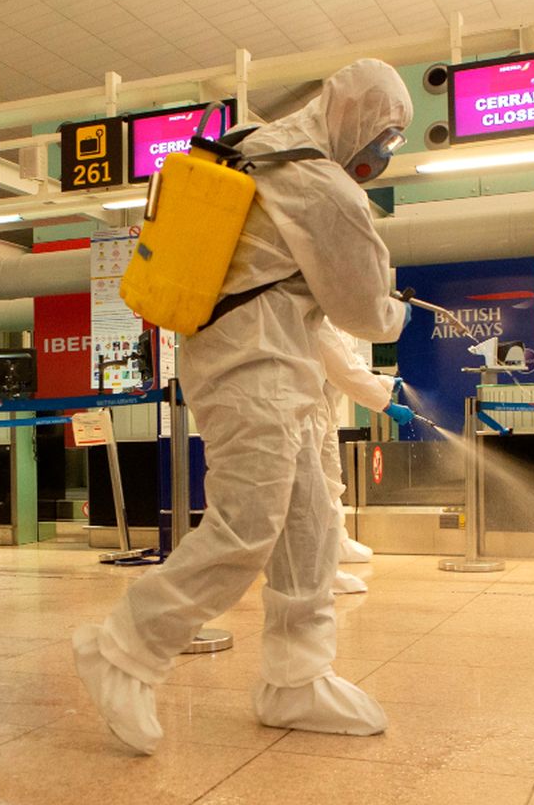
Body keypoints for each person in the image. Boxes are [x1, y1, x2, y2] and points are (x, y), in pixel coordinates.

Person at [74, 59, 413, 753]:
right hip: (251, 373)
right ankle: (124, 648)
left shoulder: (260, 146)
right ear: (361, 119)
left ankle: (297, 677)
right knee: (247, 526)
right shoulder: (320, 184)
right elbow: (366, 309)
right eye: (386, 136)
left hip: (262, 366)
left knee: (310, 524)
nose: (380, 155)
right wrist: (401, 314)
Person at [313, 320, 415, 595]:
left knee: (331, 482)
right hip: (304, 412)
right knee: (315, 495)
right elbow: (344, 372)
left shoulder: (337, 322)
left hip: (321, 410)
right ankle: (320, 573)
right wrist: (385, 404)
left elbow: (350, 362)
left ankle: (338, 545)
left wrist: (382, 382)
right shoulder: (316, 316)